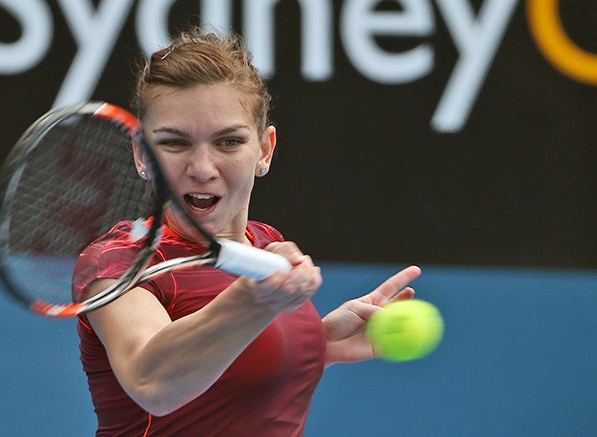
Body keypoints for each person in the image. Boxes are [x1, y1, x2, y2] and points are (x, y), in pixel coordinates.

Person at [73, 27, 422, 436]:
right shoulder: (119, 263)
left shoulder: (265, 241)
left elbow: (230, 380)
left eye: (228, 142)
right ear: (140, 153)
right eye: (175, 143)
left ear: (265, 149)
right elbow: (152, 382)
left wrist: (316, 344)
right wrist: (254, 299)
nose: (202, 168)